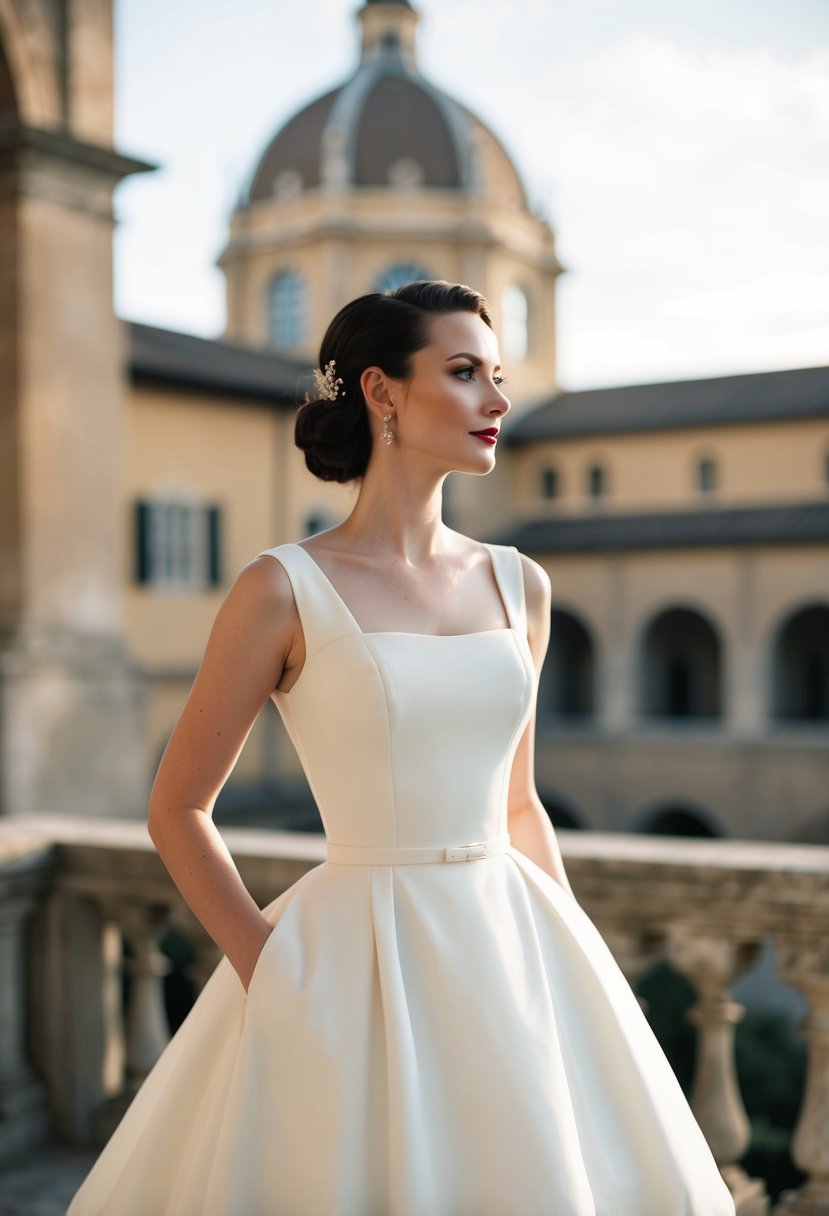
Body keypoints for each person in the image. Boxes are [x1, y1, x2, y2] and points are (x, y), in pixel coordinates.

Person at [68, 281, 735, 1215]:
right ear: (381, 392)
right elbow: (176, 807)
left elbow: (517, 803)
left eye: (495, 375)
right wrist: (269, 967)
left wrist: (572, 957)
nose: (498, 401)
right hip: (350, 966)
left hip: (514, 945)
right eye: (464, 374)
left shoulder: (520, 583)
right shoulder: (281, 589)